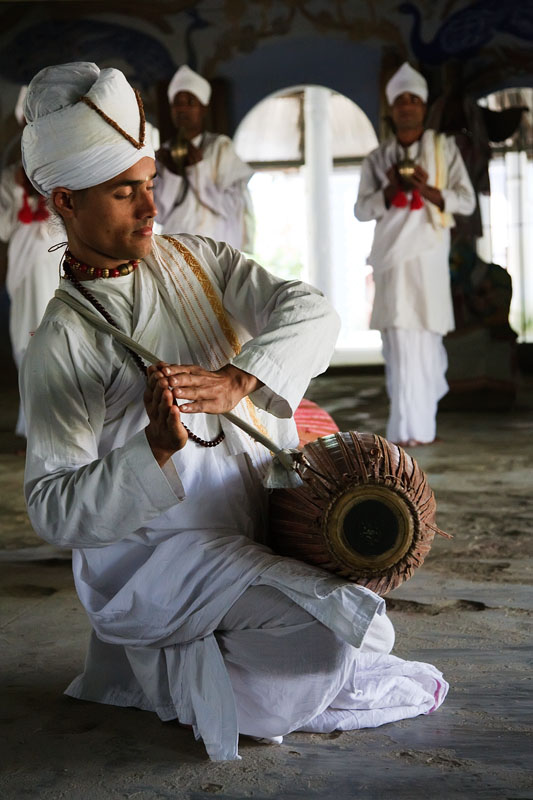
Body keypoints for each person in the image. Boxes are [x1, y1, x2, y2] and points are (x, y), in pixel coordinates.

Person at [20, 62, 448, 762]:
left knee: (366, 630)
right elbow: (52, 508)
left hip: (252, 523)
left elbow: (311, 308)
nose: (150, 208)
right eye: (125, 193)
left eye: (149, 184)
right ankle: (169, 667)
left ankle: (180, 659)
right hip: (163, 557)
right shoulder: (61, 343)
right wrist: (152, 451)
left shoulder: (195, 260)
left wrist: (239, 378)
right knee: (316, 652)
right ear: (65, 202)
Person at [354, 62, 476, 447]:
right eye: (400, 100)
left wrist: (431, 190)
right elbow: (361, 210)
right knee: (397, 346)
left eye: (414, 100)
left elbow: (467, 202)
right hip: (391, 259)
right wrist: (390, 191)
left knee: (426, 346)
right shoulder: (377, 158)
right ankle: (402, 432)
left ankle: (421, 429)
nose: (407, 106)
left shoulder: (444, 150)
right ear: (391, 108)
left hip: (427, 261)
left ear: (424, 107)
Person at [0, 86, 60, 437]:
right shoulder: (8, 180)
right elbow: (4, 231)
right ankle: (29, 427)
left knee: (57, 341)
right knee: (26, 342)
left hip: (56, 264)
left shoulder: (60, 174)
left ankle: (58, 423)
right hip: (25, 270)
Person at [154, 64, 254, 251]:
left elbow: (232, 207)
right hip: (173, 248)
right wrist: (173, 174)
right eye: (177, 103)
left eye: (190, 102)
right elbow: (159, 214)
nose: (182, 109)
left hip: (213, 247)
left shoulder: (220, 148)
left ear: (203, 109)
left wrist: (198, 169)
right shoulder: (164, 154)